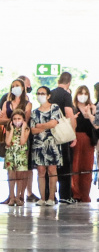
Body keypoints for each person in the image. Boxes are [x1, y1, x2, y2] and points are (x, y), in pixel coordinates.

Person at [0, 79, 33, 204]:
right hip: (9, 135)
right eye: (13, 86)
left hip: (22, 136)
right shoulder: (7, 103)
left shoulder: (27, 103)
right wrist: (12, 121)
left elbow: (26, 119)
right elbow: (0, 120)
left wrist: (12, 120)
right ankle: (11, 196)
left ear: (23, 88)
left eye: (17, 86)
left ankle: (20, 195)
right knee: (11, 170)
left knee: (21, 170)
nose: (15, 88)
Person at [30, 86, 64, 207]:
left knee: (52, 170)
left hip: (52, 143)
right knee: (40, 171)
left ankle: (51, 198)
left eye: (43, 93)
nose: (40, 95)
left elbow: (53, 123)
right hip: (38, 144)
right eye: (38, 93)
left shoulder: (54, 107)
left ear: (48, 95)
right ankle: (42, 198)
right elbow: (33, 130)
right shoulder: (34, 112)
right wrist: (46, 125)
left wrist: (40, 125)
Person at [50, 72, 76, 203]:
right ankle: (65, 195)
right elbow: (69, 113)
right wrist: (73, 133)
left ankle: (49, 195)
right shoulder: (66, 95)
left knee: (51, 165)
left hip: (50, 132)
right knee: (65, 164)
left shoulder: (50, 93)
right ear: (69, 83)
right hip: (62, 134)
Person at [72, 85, 96, 203]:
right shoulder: (72, 108)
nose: (83, 95)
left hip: (89, 140)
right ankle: (76, 194)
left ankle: (85, 194)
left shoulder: (92, 107)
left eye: (85, 93)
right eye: (80, 93)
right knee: (75, 166)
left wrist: (92, 113)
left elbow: (95, 125)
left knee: (87, 167)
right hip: (75, 138)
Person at [3, 108, 30, 207]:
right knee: (11, 176)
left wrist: (23, 129)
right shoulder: (9, 128)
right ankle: (11, 197)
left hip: (21, 154)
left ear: (23, 119)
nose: (17, 121)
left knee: (20, 176)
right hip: (10, 153)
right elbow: (8, 142)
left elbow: (22, 141)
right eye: (14, 119)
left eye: (19, 119)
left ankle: (18, 197)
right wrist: (12, 129)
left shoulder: (26, 129)